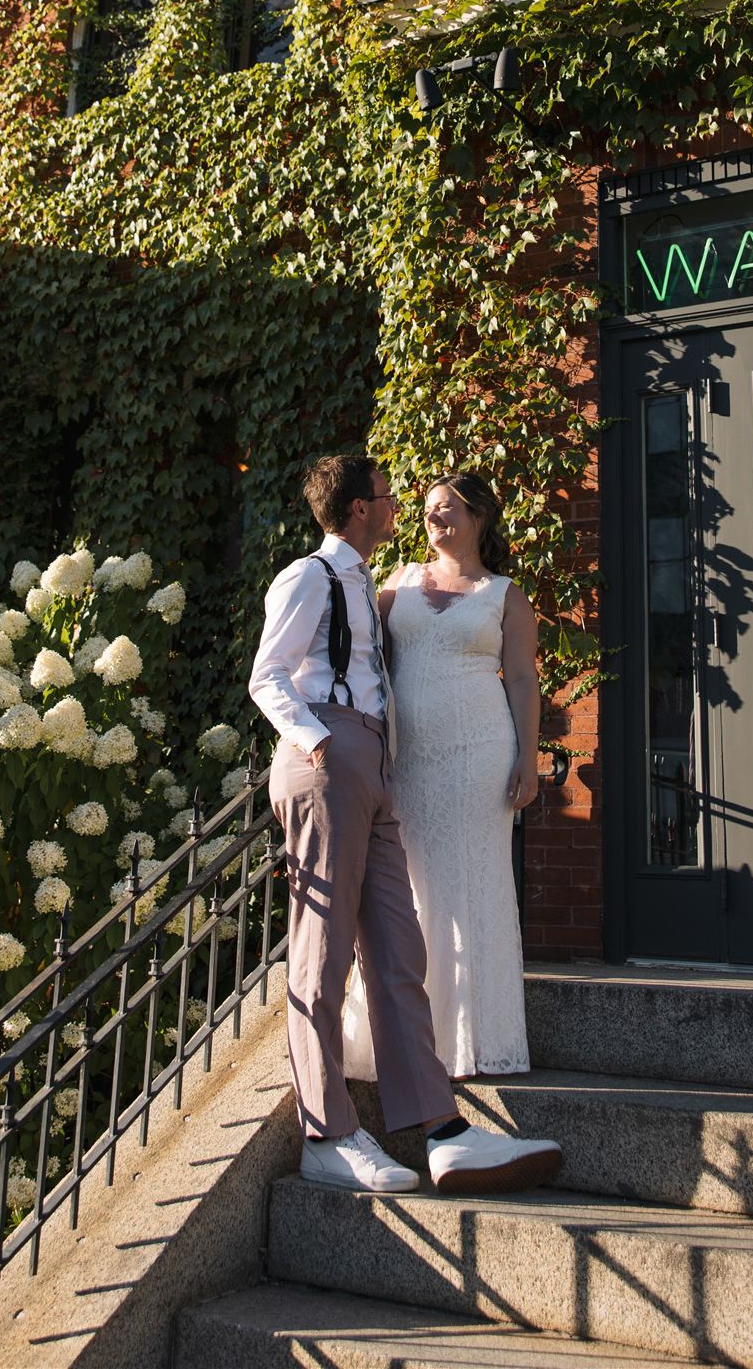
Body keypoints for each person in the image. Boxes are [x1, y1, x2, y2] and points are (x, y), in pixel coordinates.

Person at [248, 452, 562, 1196]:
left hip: (375, 764)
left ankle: (442, 1131)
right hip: (329, 755)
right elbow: (267, 674)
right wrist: (320, 741)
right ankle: (327, 1134)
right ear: (359, 508)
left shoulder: (365, 583)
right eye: (389, 497)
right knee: (320, 957)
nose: (402, 510)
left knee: (397, 948)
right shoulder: (310, 576)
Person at [343, 471, 535, 1082]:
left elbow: (524, 681)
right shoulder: (396, 583)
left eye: (448, 508)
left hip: (480, 756)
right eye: (427, 510)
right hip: (409, 759)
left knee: (473, 886)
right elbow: (363, 657)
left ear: (479, 515)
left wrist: (527, 758)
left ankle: (473, 1042)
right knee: (409, 889)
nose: (434, 519)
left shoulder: (505, 594)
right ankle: (398, 1039)